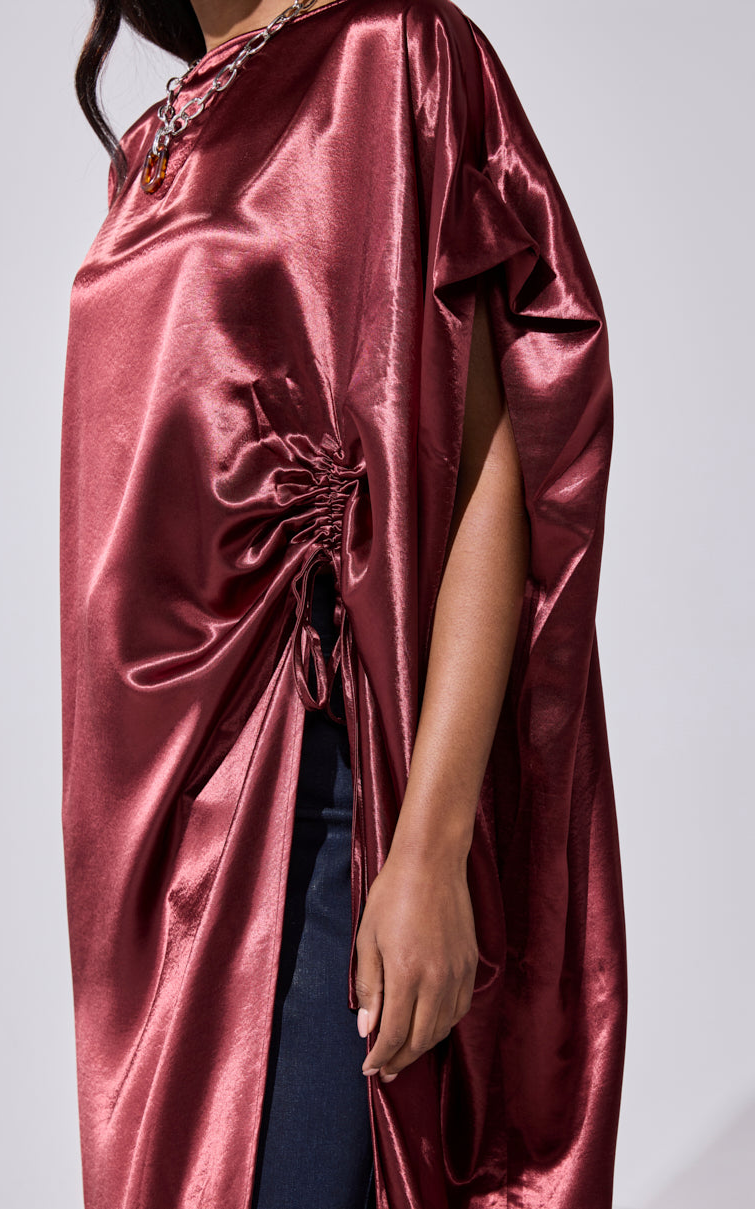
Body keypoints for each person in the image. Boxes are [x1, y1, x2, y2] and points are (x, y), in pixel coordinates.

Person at [60, 1, 627, 1207]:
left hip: (303, 799)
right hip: (145, 849)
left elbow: (491, 473)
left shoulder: (393, 51)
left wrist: (424, 852)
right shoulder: (159, 138)